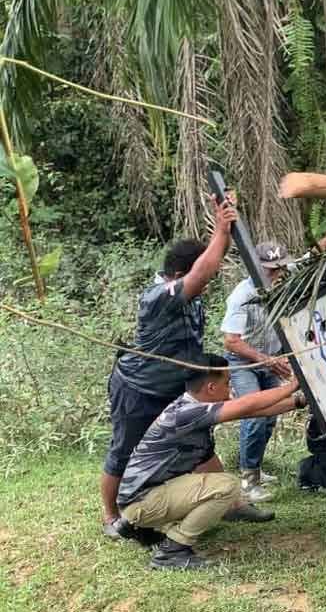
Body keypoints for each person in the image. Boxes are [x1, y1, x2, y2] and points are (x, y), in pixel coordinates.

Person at [101, 197, 269, 537]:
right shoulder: (158, 296)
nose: (206, 284)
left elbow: (204, 269)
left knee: (200, 440)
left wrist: (223, 228)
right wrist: (220, 230)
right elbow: (202, 271)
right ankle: (111, 517)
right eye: (200, 279)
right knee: (123, 448)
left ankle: (233, 504)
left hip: (176, 386)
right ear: (180, 275)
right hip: (138, 388)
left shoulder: (192, 297)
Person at [116, 354, 307, 570]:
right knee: (228, 485)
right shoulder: (186, 413)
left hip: (143, 499)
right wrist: (294, 385)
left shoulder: (195, 408)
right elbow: (246, 405)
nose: (230, 388)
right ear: (211, 388)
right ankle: (173, 551)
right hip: (142, 501)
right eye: (227, 383)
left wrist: (299, 401)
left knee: (222, 483)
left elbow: (253, 411)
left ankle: (142, 527)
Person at [221, 242, 296, 503]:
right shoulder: (241, 296)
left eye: (279, 268)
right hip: (244, 363)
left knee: (271, 416)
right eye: (270, 269)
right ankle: (248, 482)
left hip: (270, 360)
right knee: (254, 416)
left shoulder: (282, 279)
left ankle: (256, 467)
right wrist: (266, 360)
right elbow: (231, 341)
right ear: (255, 267)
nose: (276, 274)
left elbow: (312, 256)